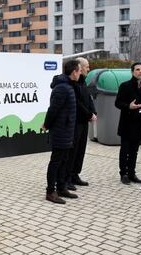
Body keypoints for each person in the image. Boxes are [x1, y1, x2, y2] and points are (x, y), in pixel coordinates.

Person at [43, 60, 81, 204]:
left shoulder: (69, 86)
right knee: (56, 161)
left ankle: (61, 187)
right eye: (79, 71)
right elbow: (53, 109)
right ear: (73, 72)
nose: (80, 74)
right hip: (60, 131)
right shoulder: (62, 88)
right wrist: (47, 124)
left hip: (67, 131)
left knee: (64, 160)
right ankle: (50, 191)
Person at [65, 57, 97, 191]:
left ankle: (75, 174)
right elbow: (77, 104)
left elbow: (88, 100)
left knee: (81, 150)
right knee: (73, 151)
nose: (88, 69)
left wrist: (93, 112)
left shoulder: (83, 82)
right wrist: (89, 114)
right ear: (79, 67)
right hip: (75, 122)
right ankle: (67, 178)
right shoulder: (73, 83)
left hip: (84, 122)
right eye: (87, 66)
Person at [115, 62, 141, 185]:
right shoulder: (125, 86)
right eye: (137, 69)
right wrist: (129, 106)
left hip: (139, 124)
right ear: (132, 72)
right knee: (125, 150)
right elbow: (117, 103)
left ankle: (132, 173)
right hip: (127, 123)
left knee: (134, 151)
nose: (140, 72)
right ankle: (123, 174)